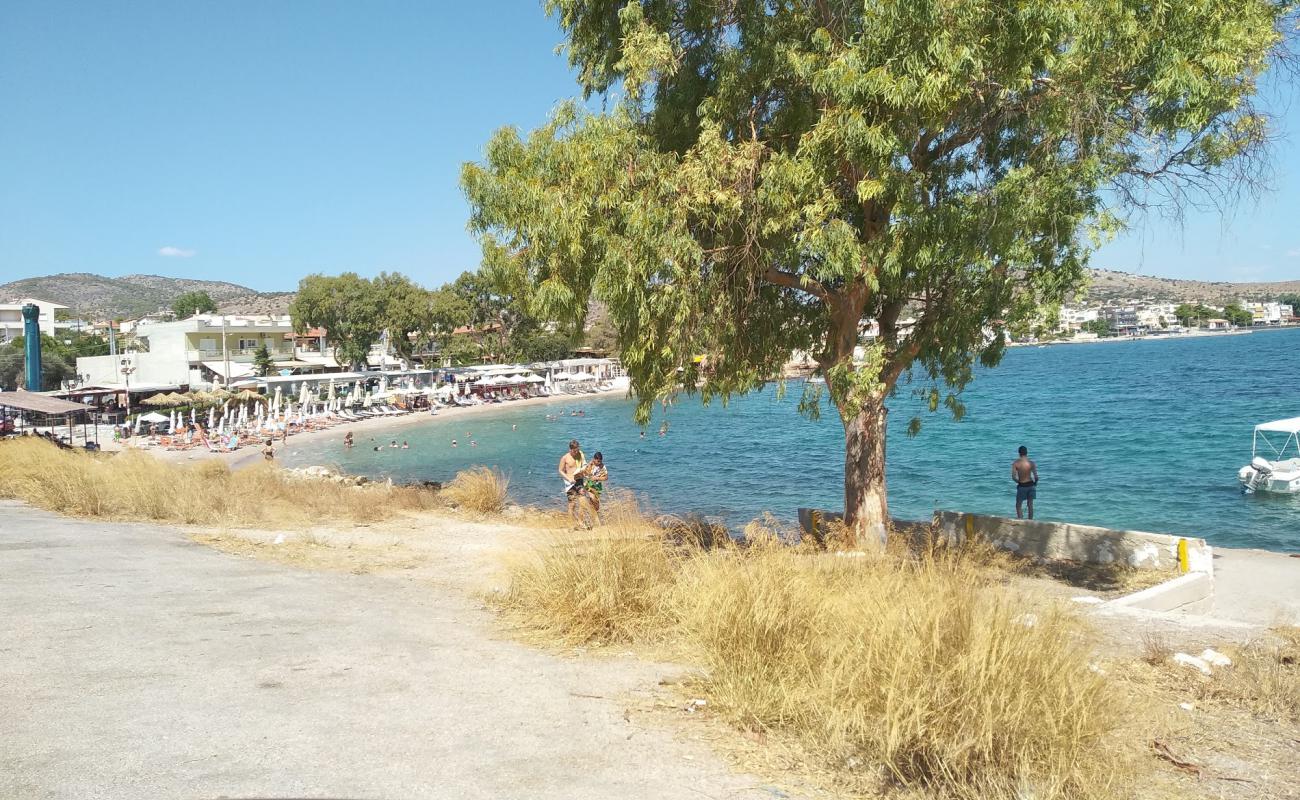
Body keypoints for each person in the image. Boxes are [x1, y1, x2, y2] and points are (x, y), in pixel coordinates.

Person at [557, 439, 587, 526]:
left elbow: (584, 464)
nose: (576, 452)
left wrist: (583, 470)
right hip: (570, 484)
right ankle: (571, 524)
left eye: (578, 450)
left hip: (580, 481)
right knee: (572, 505)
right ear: (570, 449)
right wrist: (568, 479)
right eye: (575, 451)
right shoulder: (565, 458)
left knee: (583, 502)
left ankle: (581, 522)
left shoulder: (580, 454)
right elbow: (560, 470)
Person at [1012, 445, 1039, 520]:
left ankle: (1020, 520)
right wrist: (1035, 483)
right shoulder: (1031, 463)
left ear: (1019, 453)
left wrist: (1019, 482)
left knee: (1018, 505)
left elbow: (1013, 477)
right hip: (1031, 485)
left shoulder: (1015, 463)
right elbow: (1036, 477)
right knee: (1030, 505)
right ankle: (1030, 521)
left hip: (1022, 486)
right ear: (1027, 453)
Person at [584, 451, 608, 522]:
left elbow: (606, 478)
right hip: (589, 484)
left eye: (600, 461)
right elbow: (585, 473)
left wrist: (597, 478)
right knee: (592, 498)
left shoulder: (602, 466)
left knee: (596, 504)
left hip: (598, 486)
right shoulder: (590, 464)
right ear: (594, 459)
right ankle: (593, 518)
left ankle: (593, 518)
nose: (599, 463)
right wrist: (589, 470)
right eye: (598, 461)